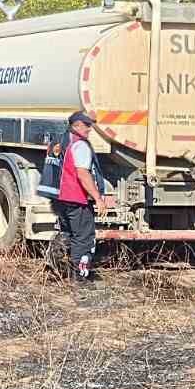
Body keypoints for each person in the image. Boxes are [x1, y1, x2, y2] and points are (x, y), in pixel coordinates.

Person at [53, 111, 111, 282]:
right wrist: (98, 198)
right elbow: (83, 174)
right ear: (77, 126)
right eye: (87, 125)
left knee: (69, 234)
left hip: (63, 198)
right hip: (77, 199)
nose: (90, 129)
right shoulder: (81, 146)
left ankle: (56, 265)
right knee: (83, 239)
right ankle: (79, 279)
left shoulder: (65, 142)